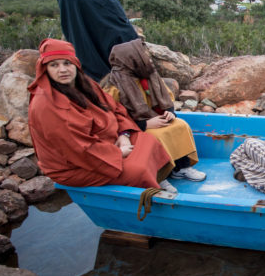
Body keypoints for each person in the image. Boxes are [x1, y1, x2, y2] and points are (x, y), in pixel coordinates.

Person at [27, 38, 173, 190]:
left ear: (75, 64)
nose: (62, 70)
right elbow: (77, 149)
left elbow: (115, 108)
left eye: (67, 63)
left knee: (149, 141)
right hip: (77, 165)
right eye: (54, 65)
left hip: (107, 141)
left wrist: (124, 134)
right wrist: (117, 154)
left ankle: (157, 177)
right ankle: (149, 188)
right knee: (137, 170)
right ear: (45, 69)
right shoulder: (46, 105)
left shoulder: (85, 84)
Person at [103, 39, 205, 192]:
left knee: (180, 125)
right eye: (143, 55)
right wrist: (145, 125)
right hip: (131, 128)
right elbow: (112, 117)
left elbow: (166, 99)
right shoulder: (114, 85)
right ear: (131, 59)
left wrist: (169, 113)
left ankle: (180, 167)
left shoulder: (149, 74)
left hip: (155, 118)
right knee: (155, 136)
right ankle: (159, 176)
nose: (147, 58)